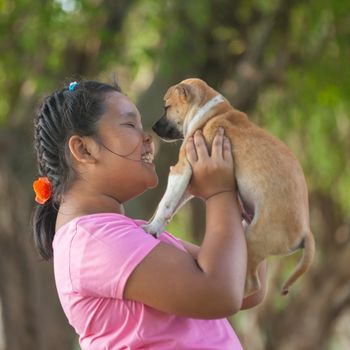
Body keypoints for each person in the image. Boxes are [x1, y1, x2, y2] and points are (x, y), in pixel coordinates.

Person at [32, 80, 266, 350]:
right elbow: (221, 293)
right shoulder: (94, 241)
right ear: (84, 149)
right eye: (130, 125)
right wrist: (219, 193)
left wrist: (241, 194)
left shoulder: (126, 234)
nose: (149, 139)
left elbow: (247, 287)